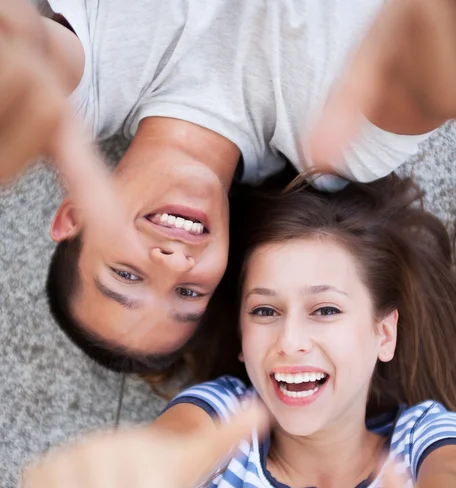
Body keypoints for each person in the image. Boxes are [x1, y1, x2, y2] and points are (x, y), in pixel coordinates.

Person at [22, 175, 456, 488]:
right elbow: (170, 449)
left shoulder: (424, 441)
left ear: (384, 334)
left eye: (325, 310)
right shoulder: (224, 418)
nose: (289, 341)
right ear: (242, 339)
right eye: (265, 311)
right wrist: (137, 476)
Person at [1, 0, 452, 373]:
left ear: (75, 215)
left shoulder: (78, 92)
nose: (175, 263)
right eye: (188, 293)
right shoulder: (344, 145)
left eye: (127, 274)